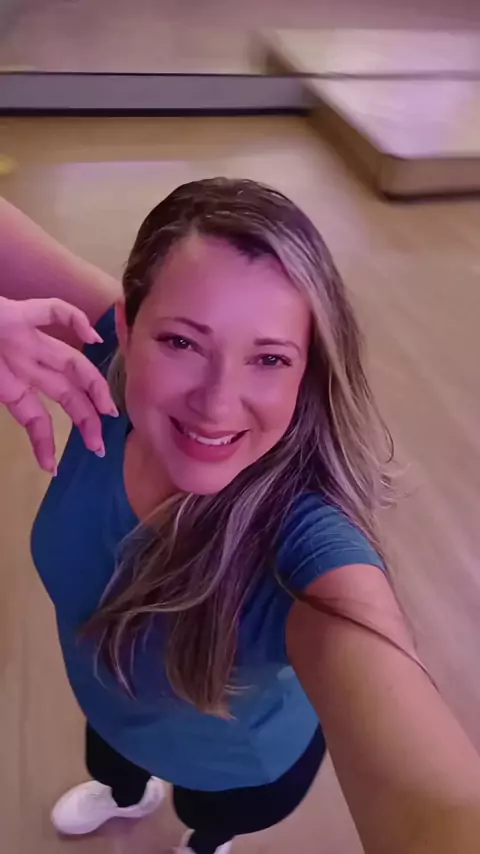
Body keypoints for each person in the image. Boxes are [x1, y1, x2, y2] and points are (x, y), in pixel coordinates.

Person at [1, 185, 480, 854]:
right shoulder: (112, 365)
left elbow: (438, 805)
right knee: (114, 767)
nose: (217, 404)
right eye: (182, 342)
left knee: (211, 821)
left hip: (238, 772)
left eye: (270, 358)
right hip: (108, 709)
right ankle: (126, 795)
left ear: (306, 372)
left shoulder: (309, 548)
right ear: (127, 327)